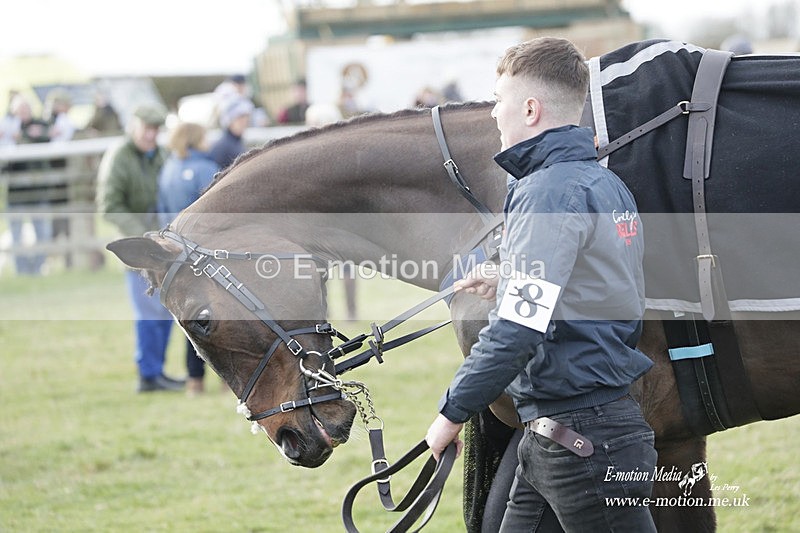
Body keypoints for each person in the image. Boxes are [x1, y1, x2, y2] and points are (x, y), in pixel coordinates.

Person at [425, 38, 657, 531]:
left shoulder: (547, 192)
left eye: (499, 100)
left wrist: (451, 413)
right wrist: (507, 275)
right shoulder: (603, 183)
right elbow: (594, 282)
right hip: (563, 434)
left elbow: (518, 327)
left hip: (583, 440)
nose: (494, 113)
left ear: (530, 109)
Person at [96, 104, 184, 393]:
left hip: (163, 245)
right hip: (138, 248)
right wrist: (143, 237)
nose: (151, 135)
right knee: (148, 311)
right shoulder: (119, 157)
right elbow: (110, 206)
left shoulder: (159, 155)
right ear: (134, 126)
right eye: (147, 128)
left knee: (165, 310)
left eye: (156, 129)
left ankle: (158, 372)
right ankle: (148, 375)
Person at [157, 121, 220, 395]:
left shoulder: (168, 169)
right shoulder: (206, 168)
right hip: (204, 250)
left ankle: (195, 379)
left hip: (176, 250)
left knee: (192, 315)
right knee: (218, 315)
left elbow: (161, 210)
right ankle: (225, 379)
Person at [5, 94, 52, 275]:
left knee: (43, 233)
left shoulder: (40, 125)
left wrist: (25, 135)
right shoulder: (7, 128)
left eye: (25, 109)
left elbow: (48, 136)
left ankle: (37, 269)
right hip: (16, 194)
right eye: (19, 110)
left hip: (38, 192)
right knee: (16, 234)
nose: (23, 113)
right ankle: (22, 270)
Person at [209, 96, 253, 169]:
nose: (244, 123)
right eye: (240, 119)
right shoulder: (223, 147)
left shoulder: (237, 143)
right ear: (229, 121)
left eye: (246, 119)